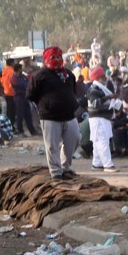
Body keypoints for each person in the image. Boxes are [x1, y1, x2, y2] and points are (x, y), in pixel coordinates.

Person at [27, 46, 81, 181]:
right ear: (46, 59)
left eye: (58, 57)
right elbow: (31, 94)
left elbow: (72, 91)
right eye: (53, 57)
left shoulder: (68, 74)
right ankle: (56, 172)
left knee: (74, 139)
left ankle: (65, 168)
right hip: (50, 116)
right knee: (52, 146)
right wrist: (45, 105)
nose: (56, 60)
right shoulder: (39, 76)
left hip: (69, 115)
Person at [85, 67, 121, 173]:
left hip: (102, 118)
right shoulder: (94, 89)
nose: (105, 78)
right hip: (98, 118)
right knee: (102, 141)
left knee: (98, 142)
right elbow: (95, 103)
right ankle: (108, 165)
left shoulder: (100, 88)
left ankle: (97, 164)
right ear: (99, 77)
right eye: (103, 76)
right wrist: (109, 97)